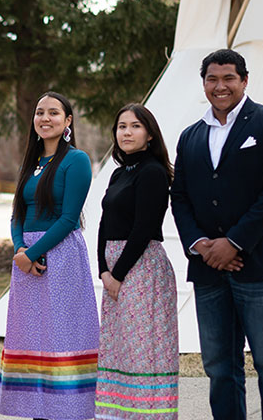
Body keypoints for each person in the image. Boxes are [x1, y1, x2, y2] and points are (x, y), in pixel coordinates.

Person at [170, 48, 263, 419]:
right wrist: (200, 244)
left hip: (262, 266)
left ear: (245, 80)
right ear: (204, 84)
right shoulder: (190, 136)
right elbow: (179, 196)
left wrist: (234, 242)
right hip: (209, 269)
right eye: (212, 79)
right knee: (219, 366)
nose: (220, 86)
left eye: (229, 78)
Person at [0, 92, 98, 420]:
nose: (45, 118)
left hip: (61, 255)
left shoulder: (76, 160)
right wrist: (20, 249)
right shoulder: (32, 160)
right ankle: (39, 410)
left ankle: (69, 411)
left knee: (62, 335)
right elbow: (17, 213)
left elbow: (69, 218)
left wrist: (34, 253)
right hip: (27, 259)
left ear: (68, 121)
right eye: (40, 112)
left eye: (53, 113)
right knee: (34, 336)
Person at [94, 103, 178, 419]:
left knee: (142, 351)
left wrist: (117, 273)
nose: (127, 132)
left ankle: (148, 414)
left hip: (141, 268)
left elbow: (143, 228)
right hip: (113, 271)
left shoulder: (153, 173)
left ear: (150, 135)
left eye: (135, 126)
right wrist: (103, 270)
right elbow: (104, 223)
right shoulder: (118, 173)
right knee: (120, 348)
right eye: (122, 126)